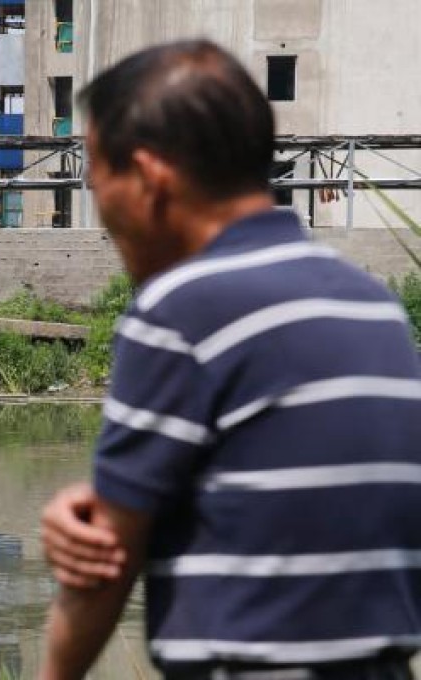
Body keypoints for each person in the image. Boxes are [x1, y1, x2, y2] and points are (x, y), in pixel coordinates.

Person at [40, 40, 421, 680]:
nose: (101, 211)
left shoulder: (178, 311)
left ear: (150, 178)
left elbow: (106, 567)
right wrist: (108, 501)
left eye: (96, 181)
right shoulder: (374, 307)